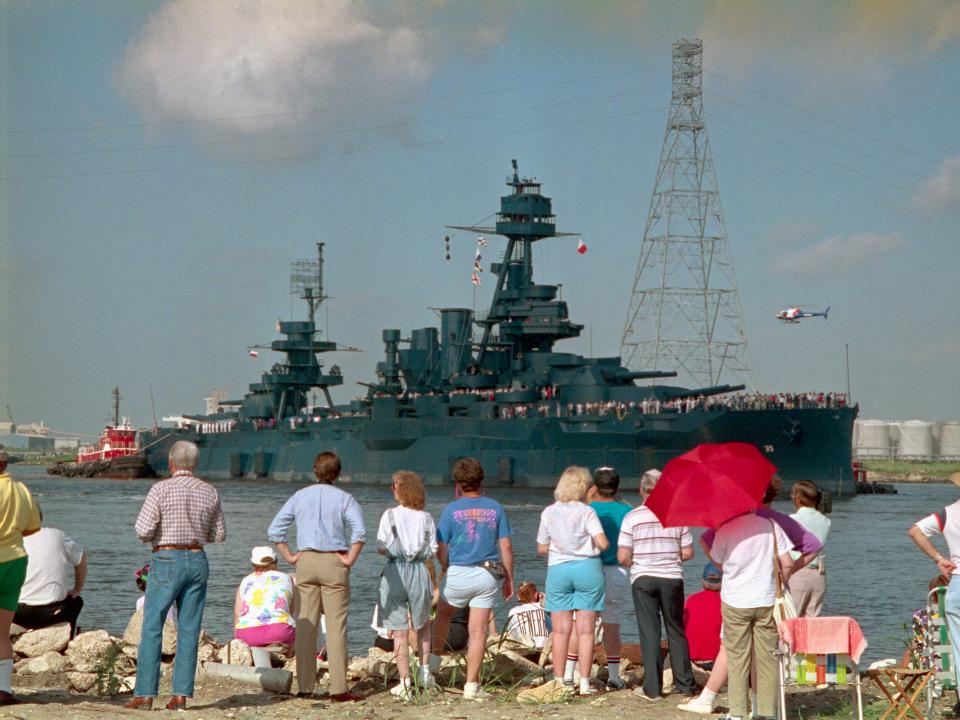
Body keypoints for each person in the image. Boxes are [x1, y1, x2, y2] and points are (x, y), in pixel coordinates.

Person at [126, 440, 226, 711]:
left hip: (166, 558)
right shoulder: (210, 491)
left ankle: (145, 694)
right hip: (197, 559)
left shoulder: (160, 489)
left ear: (171, 463)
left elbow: (143, 530)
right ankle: (180, 696)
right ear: (194, 464)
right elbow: (219, 535)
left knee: (152, 625)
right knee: (189, 628)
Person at [268, 451, 365, 702]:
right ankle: (339, 688)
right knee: (336, 627)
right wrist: (349, 559)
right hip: (334, 560)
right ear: (338, 473)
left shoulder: (299, 496)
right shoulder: (346, 498)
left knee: (305, 625)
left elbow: (275, 530)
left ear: (315, 470)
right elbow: (360, 533)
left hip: (306, 560)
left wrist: (289, 556)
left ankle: (305, 687)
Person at [431, 458, 514, 701]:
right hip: (486, 573)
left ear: (458, 485)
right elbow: (506, 546)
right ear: (482, 482)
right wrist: (509, 577)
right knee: (478, 631)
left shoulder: (450, 510)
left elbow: (441, 545)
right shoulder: (496, 508)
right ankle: (471, 685)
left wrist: (446, 567)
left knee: (443, 616)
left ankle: (432, 669)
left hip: (458, 571)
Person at [617, 468, 697, 702]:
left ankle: (653, 688)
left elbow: (622, 556)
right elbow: (689, 552)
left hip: (643, 577)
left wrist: (640, 561)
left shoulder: (632, 517)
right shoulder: (678, 515)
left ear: (642, 490)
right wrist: (668, 556)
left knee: (649, 631)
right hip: (672, 578)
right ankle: (685, 685)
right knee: (676, 629)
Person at [710, 508, 794, 720]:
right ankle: (766, 712)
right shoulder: (772, 526)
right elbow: (788, 563)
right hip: (765, 599)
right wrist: (781, 582)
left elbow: (717, 561)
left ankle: (737, 713)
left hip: (735, 600)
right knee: (767, 658)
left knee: (738, 657)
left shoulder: (726, 529)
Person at [535, 466, 607, 697]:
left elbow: (542, 548)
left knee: (560, 631)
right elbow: (603, 543)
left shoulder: (549, 512)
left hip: (559, 570)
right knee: (586, 631)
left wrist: (561, 547)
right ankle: (585, 683)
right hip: (588, 569)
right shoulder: (587, 512)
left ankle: (558, 682)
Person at [375, 470, 437, 698]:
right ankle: (424, 672)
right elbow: (434, 549)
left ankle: (404, 682)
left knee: (399, 631)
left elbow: (381, 547)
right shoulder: (427, 518)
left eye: (393, 486)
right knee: (423, 625)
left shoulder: (389, 515)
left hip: (394, 573)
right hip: (420, 571)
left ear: (399, 490)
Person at [908, 472, 960, 717]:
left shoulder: (948, 513)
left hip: (957, 585)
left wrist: (939, 559)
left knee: (959, 648)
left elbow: (915, 531)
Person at [0, 450, 41, 706]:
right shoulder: (20, 489)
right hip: (14, 560)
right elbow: (32, 527)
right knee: (2, 633)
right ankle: (3, 690)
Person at [588, 466, 633, 689]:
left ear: (595, 486)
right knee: (613, 623)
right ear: (617, 487)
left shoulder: (586, 509)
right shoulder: (628, 511)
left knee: (583, 623)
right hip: (618, 570)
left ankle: (576, 675)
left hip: (590, 569)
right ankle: (614, 677)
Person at [15, 509, 87, 637]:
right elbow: (81, 558)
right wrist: (77, 589)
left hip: (20, 613)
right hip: (53, 612)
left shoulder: (11, 540)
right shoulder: (57, 535)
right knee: (77, 601)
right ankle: (67, 638)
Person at [234, 546, 296, 668]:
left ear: (253, 564)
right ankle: (289, 660)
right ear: (275, 562)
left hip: (248, 635)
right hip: (279, 632)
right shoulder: (287, 578)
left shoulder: (245, 581)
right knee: (291, 622)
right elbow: (291, 611)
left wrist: (237, 640)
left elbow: (237, 615)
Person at [677, 563, 725, 715]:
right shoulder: (728, 603)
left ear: (702, 581)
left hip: (692, 664)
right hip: (719, 666)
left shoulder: (690, 600)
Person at [788, 480, 831, 616]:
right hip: (819, 575)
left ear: (798, 499)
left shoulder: (791, 519)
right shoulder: (826, 521)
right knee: (812, 624)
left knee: (791, 621)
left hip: (797, 572)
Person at [506, 581, 549, 649]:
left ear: (518, 597)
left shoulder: (514, 611)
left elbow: (512, 633)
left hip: (525, 647)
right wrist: (544, 598)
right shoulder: (543, 609)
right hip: (543, 646)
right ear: (536, 595)